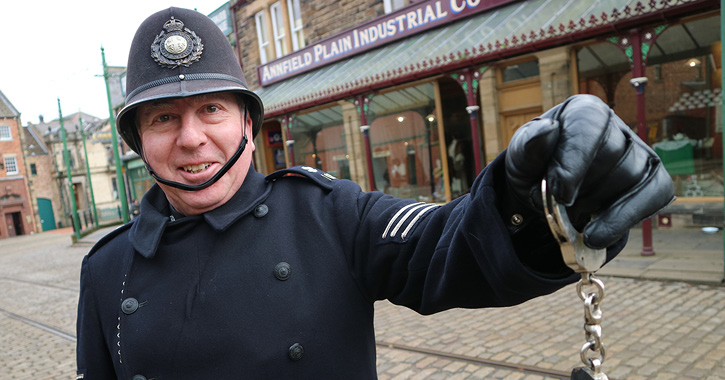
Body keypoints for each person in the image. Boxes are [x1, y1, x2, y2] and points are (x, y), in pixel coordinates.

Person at [75, 7, 675, 380]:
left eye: (211, 109)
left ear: (248, 127)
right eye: (162, 120)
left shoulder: (329, 215)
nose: (192, 138)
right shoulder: (106, 272)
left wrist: (543, 199)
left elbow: (445, 246)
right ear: (138, 141)